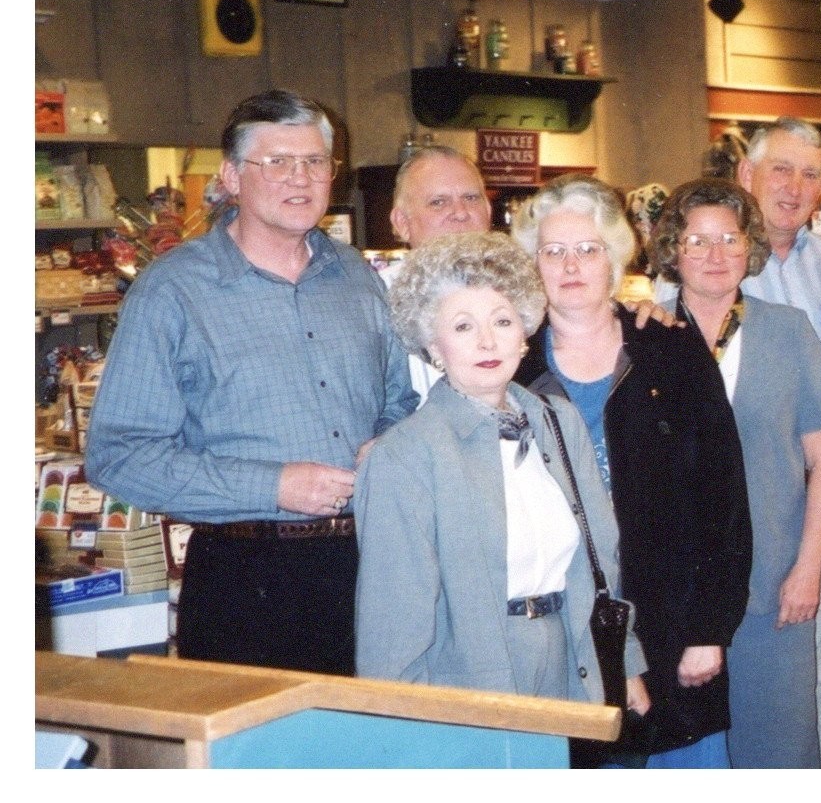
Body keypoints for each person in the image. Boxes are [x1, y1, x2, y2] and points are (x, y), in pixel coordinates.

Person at [86, 89, 416, 674]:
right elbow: (120, 457)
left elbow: (400, 402)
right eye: (278, 162)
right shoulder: (173, 292)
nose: (300, 178)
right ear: (232, 176)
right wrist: (272, 485)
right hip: (245, 581)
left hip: (372, 564)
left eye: (314, 161)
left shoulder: (357, 278)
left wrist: (388, 443)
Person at [655, 117, 821, 769]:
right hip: (716, 516)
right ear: (746, 174)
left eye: (810, 173)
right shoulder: (659, 315)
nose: (794, 185)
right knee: (721, 692)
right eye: (781, 169)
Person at [354, 231, 650, 716]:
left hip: (568, 661)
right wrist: (403, 729)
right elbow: (392, 628)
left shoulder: (559, 421)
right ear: (432, 344)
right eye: (463, 326)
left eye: (503, 320)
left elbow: (601, 556)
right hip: (463, 677)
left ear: (525, 333)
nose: (487, 341)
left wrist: (624, 660)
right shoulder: (402, 457)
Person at [512, 176, 751, 768]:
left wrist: (709, 629)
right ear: (531, 264)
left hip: (672, 620)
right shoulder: (511, 369)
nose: (571, 266)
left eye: (588, 249)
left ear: (615, 260)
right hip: (564, 632)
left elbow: (722, 501)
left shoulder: (671, 352)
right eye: (553, 251)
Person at [650, 178, 821, 769]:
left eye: (730, 239)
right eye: (697, 240)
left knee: (778, 752)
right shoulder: (644, 336)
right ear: (672, 249)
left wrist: (808, 569)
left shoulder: (788, 331)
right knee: (686, 756)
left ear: (750, 246)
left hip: (773, 585)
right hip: (675, 593)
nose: (715, 255)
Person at [383, 144, 495, 399]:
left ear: (488, 212)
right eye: (438, 202)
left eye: (471, 198)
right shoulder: (376, 298)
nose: (460, 213)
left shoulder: (517, 293)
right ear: (402, 223)